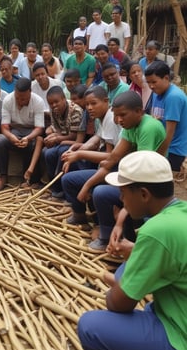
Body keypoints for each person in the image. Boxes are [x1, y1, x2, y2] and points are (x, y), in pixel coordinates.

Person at [78, 150, 187, 350]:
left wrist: (119, 286)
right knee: (134, 289)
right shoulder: (180, 212)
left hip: (183, 337)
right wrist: (136, 254)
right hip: (175, 310)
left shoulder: (157, 231)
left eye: (124, 192)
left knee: (90, 328)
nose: (120, 198)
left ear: (144, 194)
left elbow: (118, 304)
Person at [73, 90, 166, 251]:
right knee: (99, 187)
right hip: (136, 179)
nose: (119, 120)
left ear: (139, 111)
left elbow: (142, 169)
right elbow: (113, 157)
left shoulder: (148, 127)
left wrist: (122, 211)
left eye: (122, 115)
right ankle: (113, 236)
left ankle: (129, 242)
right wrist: (88, 184)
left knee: (102, 193)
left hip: (150, 185)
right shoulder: (130, 126)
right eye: (116, 116)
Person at [61, 86, 122, 227]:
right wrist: (81, 147)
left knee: (72, 180)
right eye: (87, 104)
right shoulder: (102, 117)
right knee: (71, 173)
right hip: (109, 166)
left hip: (115, 170)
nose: (89, 107)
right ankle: (80, 216)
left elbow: (109, 157)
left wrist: (80, 154)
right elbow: (97, 136)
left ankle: (101, 224)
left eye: (93, 103)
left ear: (106, 101)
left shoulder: (111, 119)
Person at [0, 77, 44, 192]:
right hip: (14, 130)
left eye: (24, 98)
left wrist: (28, 137)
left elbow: (39, 129)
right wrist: (11, 137)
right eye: (18, 97)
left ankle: (29, 179)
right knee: (0, 140)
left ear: (30, 93)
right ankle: (3, 176)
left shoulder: (38, 101)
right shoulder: (8, 100)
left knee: (33, 143)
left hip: (31, 132)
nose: (20, 101)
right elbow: (4, 127)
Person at [43, 85, 83, 199]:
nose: (54, 105)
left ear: (64, 99)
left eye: (56, 102)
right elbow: (57, 129)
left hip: (75, 142)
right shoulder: (53, 111)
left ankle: (66, 190)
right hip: (64, 138)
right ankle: (56, 188)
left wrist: (56, 138)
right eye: (51, 103)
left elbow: (75, 135)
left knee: (62, 152)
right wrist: (53, 136)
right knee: (47, 153)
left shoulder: (75, 111)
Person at [145, 61, 187, 171]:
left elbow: (169, 135)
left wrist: (156, 157)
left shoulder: (173, 97)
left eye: (154, 82)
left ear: (166, 78)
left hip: (173, 151)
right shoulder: (156, 92)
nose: (151, 86)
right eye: (148, 82)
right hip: (161, 146)